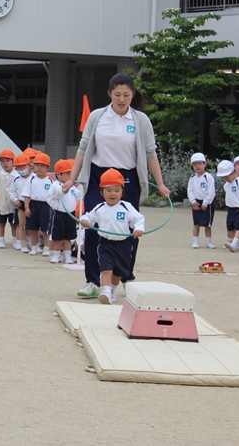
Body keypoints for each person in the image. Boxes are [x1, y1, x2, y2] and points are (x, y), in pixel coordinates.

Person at [65, 73, 170, 299]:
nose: (121, 99)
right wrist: (72, 179)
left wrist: (160, 183)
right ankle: (92, 281)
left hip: (127, 178)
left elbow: (150, 153)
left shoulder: (140, 120)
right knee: (93, 225)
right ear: (109, 94)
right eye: (117, 95)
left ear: (132, 94)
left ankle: (124, 277)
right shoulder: (97, 116)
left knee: (129, 228)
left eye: (126, 95)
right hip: (98, 177)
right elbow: (83, 148)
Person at [79, 168, 144, 305]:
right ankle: (106, 292)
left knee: (118, 271)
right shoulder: (99, 208)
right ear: (102, 192)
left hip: (123, 245)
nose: (112, 193)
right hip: (105, 244)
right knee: (106, 268)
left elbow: (138, 219)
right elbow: (89, 217)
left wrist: (138, 229)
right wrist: (85, 221)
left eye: (116, 190)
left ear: (122, 192)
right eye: (108, 190)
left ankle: (112, 290)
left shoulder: (126, 207)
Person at [47, 159, 79, 264]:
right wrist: (63, 189)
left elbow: (78, 196)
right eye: (67, 173)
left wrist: (80, 187)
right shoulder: (55, 185)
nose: (70, 176)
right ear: (59, 175)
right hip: (59, 214)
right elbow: (55, 194)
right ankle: (56, 255)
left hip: (70, 214)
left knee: (68, 237)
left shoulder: (73, 186)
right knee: (58, 236)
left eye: (71, 173)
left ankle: (67, 256)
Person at [22, 153, 53, 256]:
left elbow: (53, 197)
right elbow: (26, 195)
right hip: (33, 205)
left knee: (45, 229)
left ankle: (47, 248)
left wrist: (52, 208)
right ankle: (34, 247)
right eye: (37, 165)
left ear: (48, 167)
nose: (39, 168)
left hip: (45, 205)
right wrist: (27, 207)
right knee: (33, 228)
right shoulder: (31, 180)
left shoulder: (50, 181)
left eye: (42, 166)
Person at [216, 160, 239, 253]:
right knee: (230, 226)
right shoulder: (226, 185)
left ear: (232, 172)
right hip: (230, 208)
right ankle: (237, 244)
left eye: (227, 176)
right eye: (224, 177)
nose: (226, 179)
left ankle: (234, 244)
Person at [187, 152, 216, 249]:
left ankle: (208, 242)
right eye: (195, 164)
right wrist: (193, 201)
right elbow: (190, 190)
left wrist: (205, 203)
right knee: (196, 223)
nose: (197, 166)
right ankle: (195, 242)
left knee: (207, 225)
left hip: (207, 203)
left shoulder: (208, 177)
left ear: (204, 164)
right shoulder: (192, 178)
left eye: (200, 164)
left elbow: (211, 192)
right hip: (196, 202)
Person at [0, 149, 19, 249]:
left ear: (13, 161)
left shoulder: (17, 176)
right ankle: (1, 240)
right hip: (1, 204)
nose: (5, 163)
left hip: (13, 204)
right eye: (2, 161)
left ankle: (15, 240)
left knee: (13, 224)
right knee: (1, 223)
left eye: (7, 160)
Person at [9, 153, 33, 251]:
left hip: (33, 203)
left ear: (29, 165)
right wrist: (15, 200)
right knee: (21, 224)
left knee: (32, 225)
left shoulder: (34, 178)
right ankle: (20, 242)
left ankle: (32, 243)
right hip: (21, 203)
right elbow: (11, 192)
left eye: (23, 166)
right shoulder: (16, 179)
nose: (21, 168)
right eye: (18, 167)